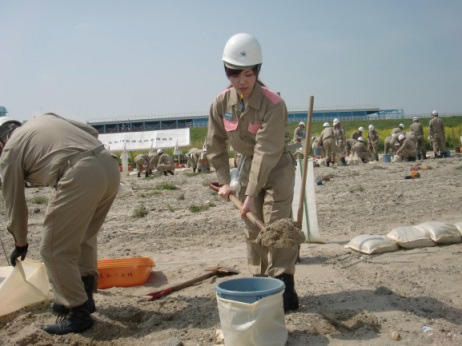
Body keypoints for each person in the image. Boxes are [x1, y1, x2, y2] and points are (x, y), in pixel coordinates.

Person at [0, 113, 120, 334]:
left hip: (78, 173)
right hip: (109, 166)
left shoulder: (9, 152)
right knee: (83, 237)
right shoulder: (43, 118)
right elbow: (91, 131)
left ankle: (77, 312)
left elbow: (14, 202)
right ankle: (86, 294)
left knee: (53, 250)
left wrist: (20, 242)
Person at [206, 33, 300, 312]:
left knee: (278, 225)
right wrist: (226, 183)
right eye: (235, 74)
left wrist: (248, 193)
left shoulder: (273, 103)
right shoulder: (221, 104)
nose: (242, 81)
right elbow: (214, 146)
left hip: (277, 166)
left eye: (248, 74)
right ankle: (261, 282)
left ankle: (285, 285)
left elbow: (266, 152)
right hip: (247, 167)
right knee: (252, 226)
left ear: (257, 72)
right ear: (227, 72)